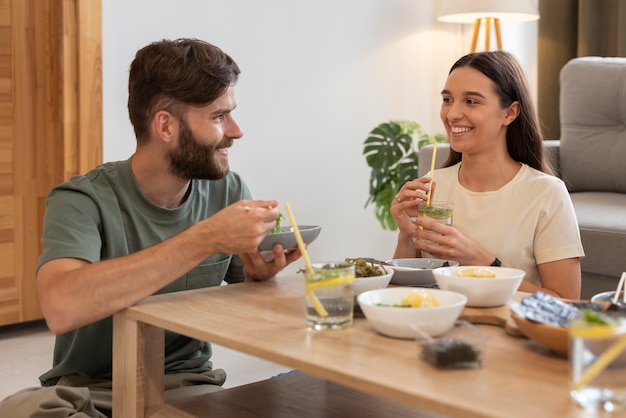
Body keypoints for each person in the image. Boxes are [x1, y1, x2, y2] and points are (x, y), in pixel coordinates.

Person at [0, 38, 301, 417]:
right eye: (219, 117)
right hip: (89, 392)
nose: (236, 131)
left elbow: (254, 307)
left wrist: (260, 278)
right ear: (166, 126)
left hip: (185, 387)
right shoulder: (81, 199)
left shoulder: (229, 191)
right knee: (19, 410)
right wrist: (204, 238)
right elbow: (61, 306)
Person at [391, 51, 584, 300]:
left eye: (471, 101)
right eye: (448, 99)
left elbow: (566, 303)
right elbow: (405, 291)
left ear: (509, 113)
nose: (452, 114)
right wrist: (407, 234)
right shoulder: (432, 186)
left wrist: (481, 261)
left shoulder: (546, 193)